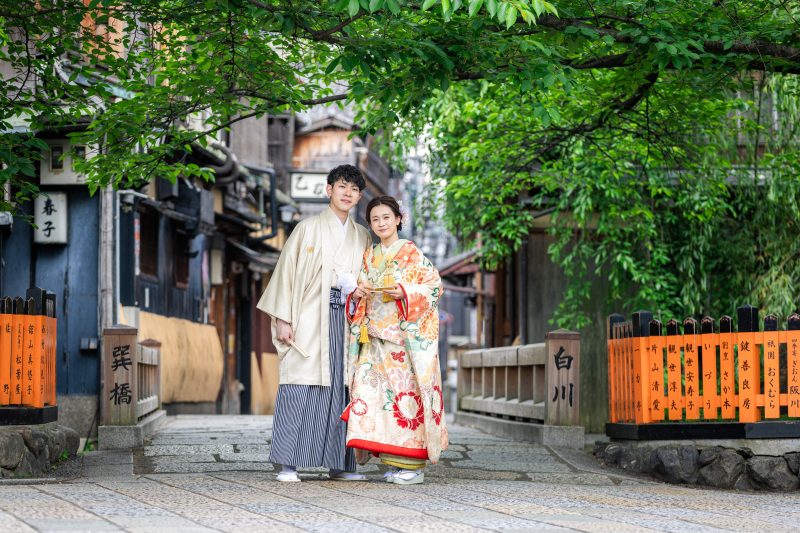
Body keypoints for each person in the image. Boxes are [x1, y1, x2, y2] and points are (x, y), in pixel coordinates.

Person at [256, 164, 371, 482]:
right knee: (300, 384)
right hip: (308, 315)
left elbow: (370, 278)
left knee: (342, 388)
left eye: (354, 190)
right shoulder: (306, 228)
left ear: (359, 197)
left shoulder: (362, 235)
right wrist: (283, 318)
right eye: (342, 186)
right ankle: (288, 463)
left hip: (347, 318)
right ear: (329, 190)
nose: (347, 194)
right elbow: (286, 273)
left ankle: (341, 464)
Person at [342, 195, 448, 485]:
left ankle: (412, 466)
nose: (381, 223)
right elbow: (360, 288)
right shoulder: (370, 255)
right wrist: (357, 294)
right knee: (372, 398)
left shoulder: (411, 252)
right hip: (373, 338)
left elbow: (434, 287)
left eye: (386, 217)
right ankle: (392, 461)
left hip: (402, 342)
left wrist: (407, 293)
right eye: (374, 219)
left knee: (405, 402)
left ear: (399, 219)